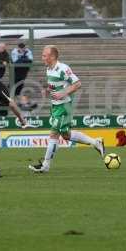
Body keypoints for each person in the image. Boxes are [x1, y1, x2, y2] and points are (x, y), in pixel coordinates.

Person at [28, 45, 105, 173]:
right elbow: (55, 86)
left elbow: (77, 83)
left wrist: (64, 93)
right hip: (55, 105)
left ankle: (45, 165)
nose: (42, 58)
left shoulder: (63, 68)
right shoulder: (49, 69)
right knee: (66, 135)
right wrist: (47, 90)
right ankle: (96, 142)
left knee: (54, 133)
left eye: (44, 55)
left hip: (64, 106)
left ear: (52, 56)